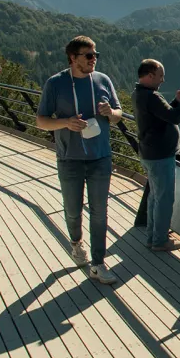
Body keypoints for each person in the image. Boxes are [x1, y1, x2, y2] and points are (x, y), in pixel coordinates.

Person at [36, 36, 124, 285]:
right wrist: (65, 122)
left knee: (100, 212)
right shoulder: (56, 83)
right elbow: (41, 121)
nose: (93, 59)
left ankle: (98, 263)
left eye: (95, 54)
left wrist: (111, 113)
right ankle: (76, 244)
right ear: (73, 58)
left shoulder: (103, 80)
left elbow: (118, 114)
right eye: (88, 55)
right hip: (69, 158)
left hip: (100, 157)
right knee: (73, 211)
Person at [133, 59, 180, 252]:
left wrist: (176, 100)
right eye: (160, 76)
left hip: (150, 153)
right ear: (150, 75)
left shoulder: (139, 94)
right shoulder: (151, 96)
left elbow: (162, 116)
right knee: (165, 198)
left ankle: (153, 236)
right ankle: (159, 241)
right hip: (160, 156)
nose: (163, 80)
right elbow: (174, 117)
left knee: (155, 197)